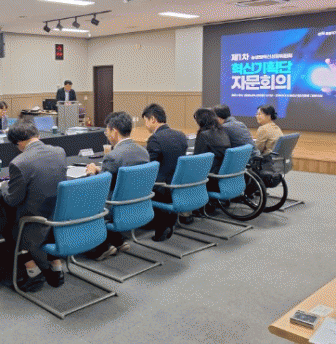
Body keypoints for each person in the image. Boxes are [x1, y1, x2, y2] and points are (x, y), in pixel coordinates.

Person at [1, 119, 67, 292]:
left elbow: (12, 200)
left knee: (7, 225)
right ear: (36, 134)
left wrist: (4, 186)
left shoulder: (19, 162)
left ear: (19, 142)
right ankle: (56, 268)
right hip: (58, 218)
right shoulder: (59, 151)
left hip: (35, 224)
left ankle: (33, 272)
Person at [85, 112, 150, 260]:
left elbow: (99, 188)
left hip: (116, 208)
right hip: (137, 204)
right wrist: (101, 171)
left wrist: (91, 173)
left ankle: (101, 247)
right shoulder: (143, 152)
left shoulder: (113, 156)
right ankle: (117, 240)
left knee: (85, 201)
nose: (107, 135)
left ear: (114, 131)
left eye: (107, 131)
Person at [142, 103, 188, 241]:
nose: (145, 125)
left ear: (152, 119)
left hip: (162, 189)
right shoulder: (181, 135)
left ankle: (157, 225)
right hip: (179, 185)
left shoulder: (155, 139)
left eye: (145, 121)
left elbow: (150, 167)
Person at [193, 108, 231, 192]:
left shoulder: (204, 135)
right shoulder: (222, 132)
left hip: (209, 179)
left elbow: (197, 159)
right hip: (223, 176)